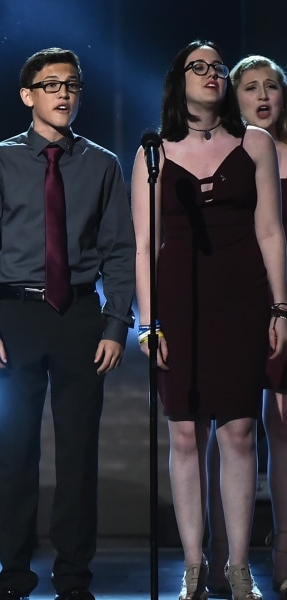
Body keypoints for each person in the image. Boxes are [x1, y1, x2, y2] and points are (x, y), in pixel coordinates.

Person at [0, 47, 135, 600]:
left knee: (79, 453)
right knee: (14, 453)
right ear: (26, 94)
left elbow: (121, 253)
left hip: (81, 315)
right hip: (15, 316)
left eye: (73, 85)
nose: (64, 93)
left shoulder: (102, 163)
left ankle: (74, 576)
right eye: (51, 84)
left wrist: (114, 324)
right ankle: (13, 575)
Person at [133, 40, 287, 600]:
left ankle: (239, 566)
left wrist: (280, 306)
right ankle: (193, 566)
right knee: (184, 434)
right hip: (179, 299)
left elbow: (271, 229)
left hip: (243, 295)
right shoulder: (154, 151)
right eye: (200, 67)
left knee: (241, 431)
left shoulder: (256, 143)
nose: (213, 75)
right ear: (180, 81)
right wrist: (147, 322)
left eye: (219, 67)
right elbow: (145, 243)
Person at [203, 54, 287, 600]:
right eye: (250, 87)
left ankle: (281, 555)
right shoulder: (233, 152)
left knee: (281, 427)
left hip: (280, 303)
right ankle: (216, 556)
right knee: (224, 426)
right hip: (237, 300)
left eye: (272, 86)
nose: (262, 96)